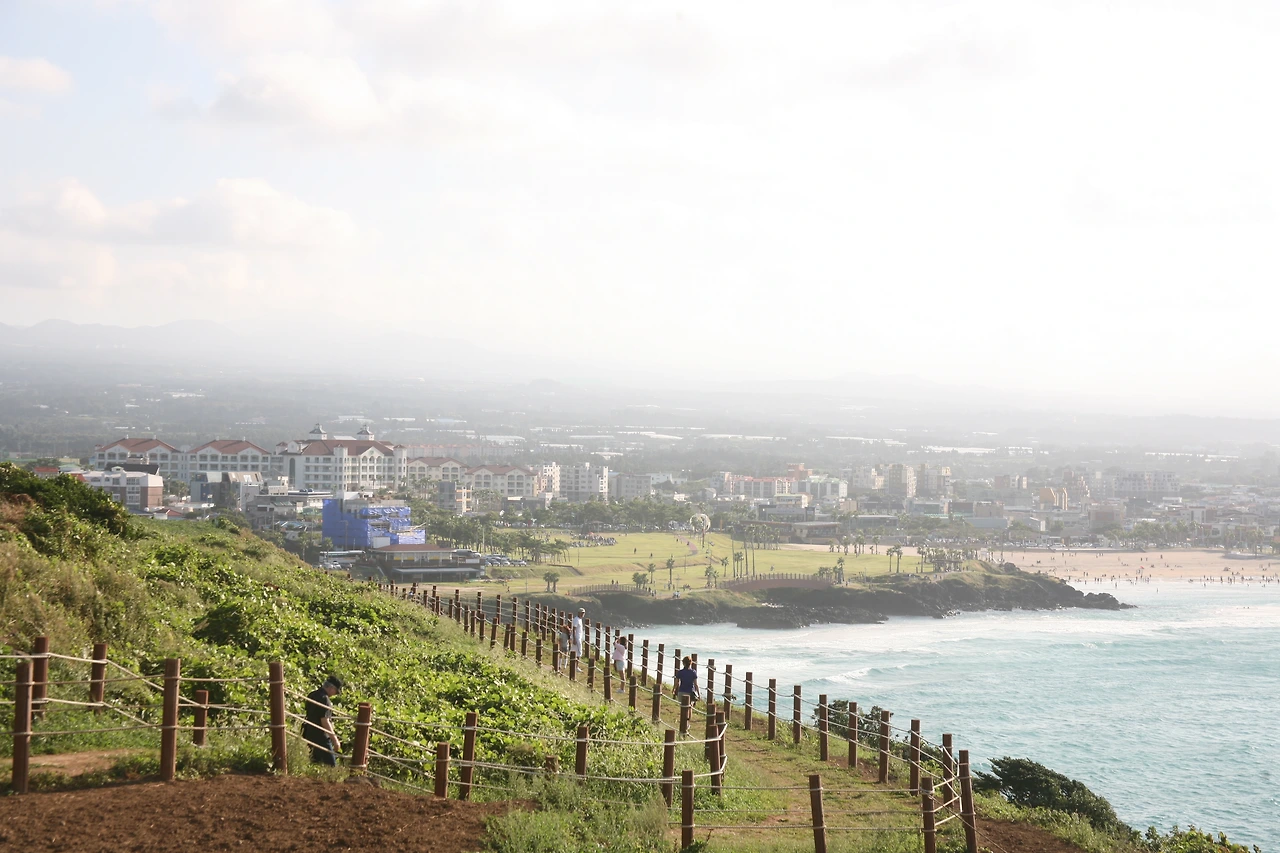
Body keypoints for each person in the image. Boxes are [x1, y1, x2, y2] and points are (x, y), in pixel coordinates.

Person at [303, 675, 343, 766]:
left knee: (314, 764)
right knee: (331, 765)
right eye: (336, 692)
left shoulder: (312, 694)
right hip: (321, 737)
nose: (334, 694)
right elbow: (325, 721)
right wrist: (335, 740)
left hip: (309, 733)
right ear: (331, 688)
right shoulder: (325, 699)